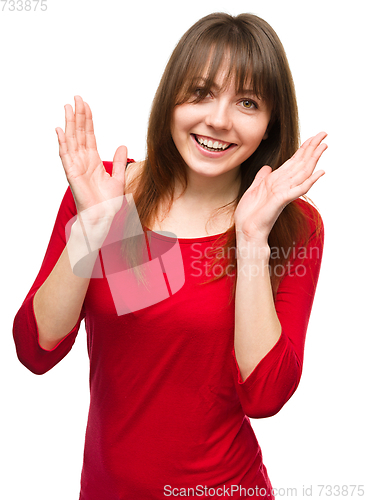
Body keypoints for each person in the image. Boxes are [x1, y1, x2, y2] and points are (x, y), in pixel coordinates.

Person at [13, 12, 327, 500]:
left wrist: (249, 240)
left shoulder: (291, 224)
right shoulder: (110, 192)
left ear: (271, 124)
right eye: (200, 92)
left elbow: (264, 397)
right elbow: (36, 350)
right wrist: (92, 231)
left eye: (247, 102)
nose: (218, 119)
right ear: (169, 100)